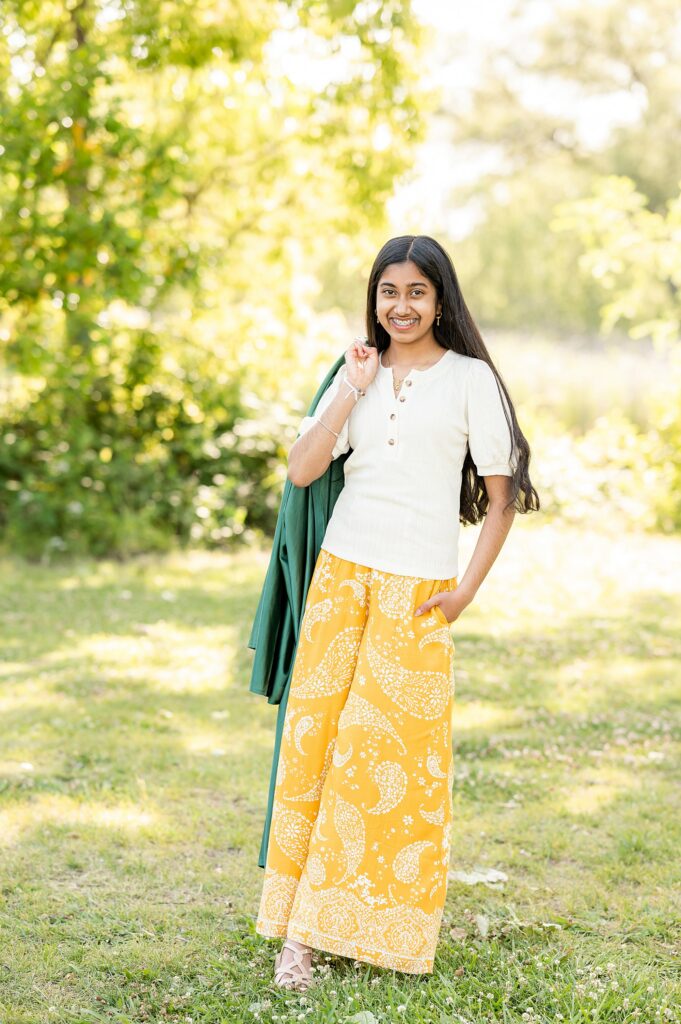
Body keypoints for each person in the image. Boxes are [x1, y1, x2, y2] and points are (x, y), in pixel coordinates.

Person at [254, 234, 540, 990]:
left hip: (417, 591)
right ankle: (299, 939)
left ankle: (376, 926)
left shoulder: (471, 380)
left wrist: (466, 589)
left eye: (416, 291)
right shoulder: (359, 372)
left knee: (391, 766)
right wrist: (352, 385)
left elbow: (502, 499)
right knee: (316, 755)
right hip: (340, 581)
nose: (401, 306)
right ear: (373, 298)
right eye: (388, 291)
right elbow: (303, 467)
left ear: (440, 298)